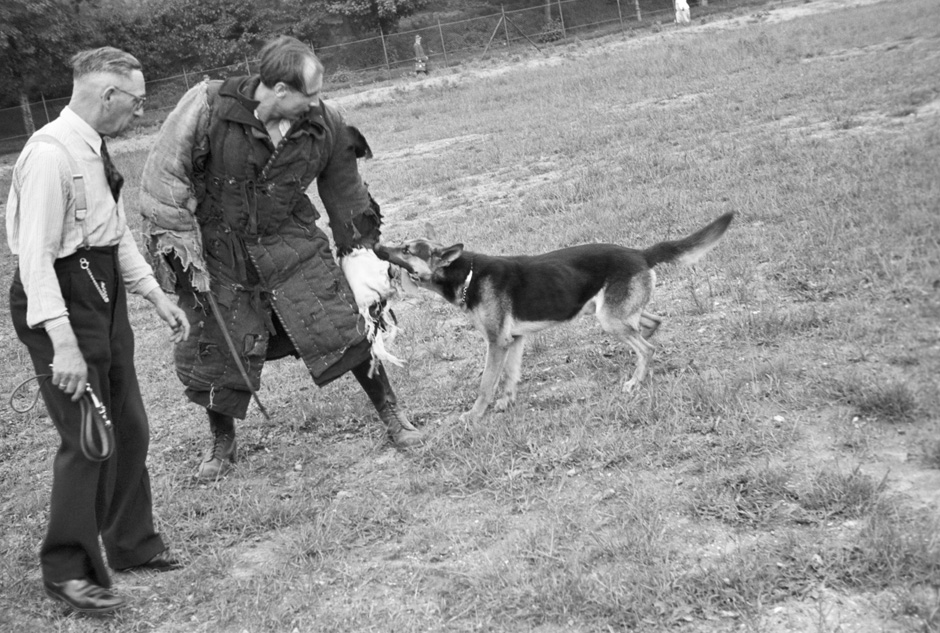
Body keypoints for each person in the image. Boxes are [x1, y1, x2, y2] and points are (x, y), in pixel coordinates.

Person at [139, 35, 423, 482]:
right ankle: (222, 442)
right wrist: (182, 252)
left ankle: (391, 412)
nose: (317, 101)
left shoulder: (325, 123)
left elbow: (346, 189)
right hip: (219, 253)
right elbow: (163, 178)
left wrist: (359, 250)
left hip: (290, 243)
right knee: (216, 346)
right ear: (280, 90)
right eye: (308, 93)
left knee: (341, 323)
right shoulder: (209, 105)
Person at [5, 47, 191, 615]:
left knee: (129, 427)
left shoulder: (94, 147)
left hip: (102, 291)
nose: (139, 112)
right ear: (107, 96)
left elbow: (112, 232)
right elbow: (34, 259)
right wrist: (61, 341)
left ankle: (131, 544)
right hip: (62, 301)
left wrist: (154, 294)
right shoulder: (49, 156)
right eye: (134, 102)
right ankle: (69, 572)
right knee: (91, 439)